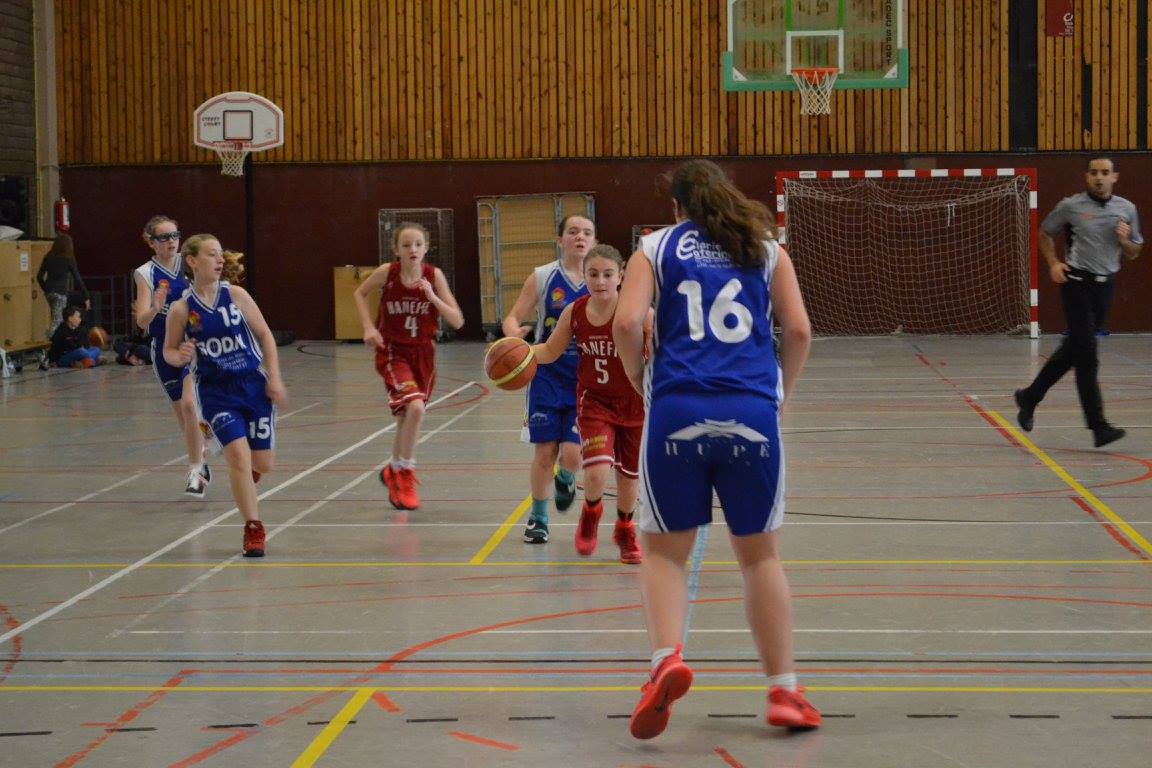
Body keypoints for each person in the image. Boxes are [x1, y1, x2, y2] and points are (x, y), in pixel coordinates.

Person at [614, 159, 821, 739]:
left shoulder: (655, 247)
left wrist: (637, 377)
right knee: (759, 557)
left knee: (663, 555)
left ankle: (665, 662)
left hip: (677, 410)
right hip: (751, 412)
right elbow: (799, 331)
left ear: (675, 206)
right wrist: (782, 394)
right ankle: (784, 690)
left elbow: (627, 323)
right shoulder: (766, 248)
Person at [163, 234, 288, 557]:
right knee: (238, 458)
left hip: (252, 385)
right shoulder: (181, 309)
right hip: (216, 393)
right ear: (192, 261)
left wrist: (274, 376)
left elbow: (265, 335)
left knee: (263, 464)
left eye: (221, 254)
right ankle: (253, 528)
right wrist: (179, 355)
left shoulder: (236, 295)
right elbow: (168, 351)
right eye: (212, 254)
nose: (220, 259)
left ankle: (246, 475)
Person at [530, 244, 650, 565]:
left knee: (629, 478)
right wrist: (520, 353)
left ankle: (624, 529)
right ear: (584, 277)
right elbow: (550, 351)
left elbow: (660, 354)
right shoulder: (575, 311)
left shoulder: (639, 313)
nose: (600, 281)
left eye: (608, 274)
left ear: (621, 276)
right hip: (594, 401)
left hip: (635, 402)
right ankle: (590, 514)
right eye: (593, 274)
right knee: (596, 472)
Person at [1014, 157, 1143, 448]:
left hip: (1105, 286)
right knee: (1087, 354)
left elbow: (1134, 251)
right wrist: (1053, 263)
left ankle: (1029, 396)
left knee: (1073, 351)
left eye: (1105, 173)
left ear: (1114, 177)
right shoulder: (1071, 206)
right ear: (1087, 177)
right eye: (1094, 173)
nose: (1099, 178)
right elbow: (1044, 233)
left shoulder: (1126, 209)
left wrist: (1124, 241)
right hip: (1076, 283)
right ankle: (1099, 426)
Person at [353, 221, 464, 510]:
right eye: (406, 245)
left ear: (426, 248)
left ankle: (394, 469)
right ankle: (405, 471)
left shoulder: (434, 276)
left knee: (406, 416)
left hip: (423, 354)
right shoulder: (387, 273)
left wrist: (432, 297)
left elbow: (457, 321)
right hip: (393, 352)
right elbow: (359, 293)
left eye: (418, 244)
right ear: (396, 250)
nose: (412, 249)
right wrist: (368, 327)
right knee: (415, 408)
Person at [501, 214, 595, 543]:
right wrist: (513, 334)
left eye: (587, 233)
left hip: (586, 378)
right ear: (560, 240)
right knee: (544, 452)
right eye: (573, 232)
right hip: (546, 375)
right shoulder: (543, 276)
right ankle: (538, 518)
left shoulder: (601, 278)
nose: (580, 237)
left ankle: (566, 478)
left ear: (594, 242)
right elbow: (513, 316)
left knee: (572, 454)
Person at [133, 215, 212, 497]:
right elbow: (142, 322)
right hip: (165, 349)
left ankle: (195, 471)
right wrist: (155, 307)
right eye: (164, 237)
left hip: (192, 344)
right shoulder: (145, 273)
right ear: (151, 242)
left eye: (175, 235)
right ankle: (201, 459)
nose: (171, 241)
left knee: (191, 406)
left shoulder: (189, 262)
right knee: (184, 417)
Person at [36, 232, 90, 338]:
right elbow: (77, 278)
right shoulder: (68, 259)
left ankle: (57, 340)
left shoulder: (48, 257)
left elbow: (39, 276)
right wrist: (86, 296)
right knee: (58, 320)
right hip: (60, 293)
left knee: (56, 316)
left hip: (49, 293)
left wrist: (46, 289)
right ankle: (50, 340)